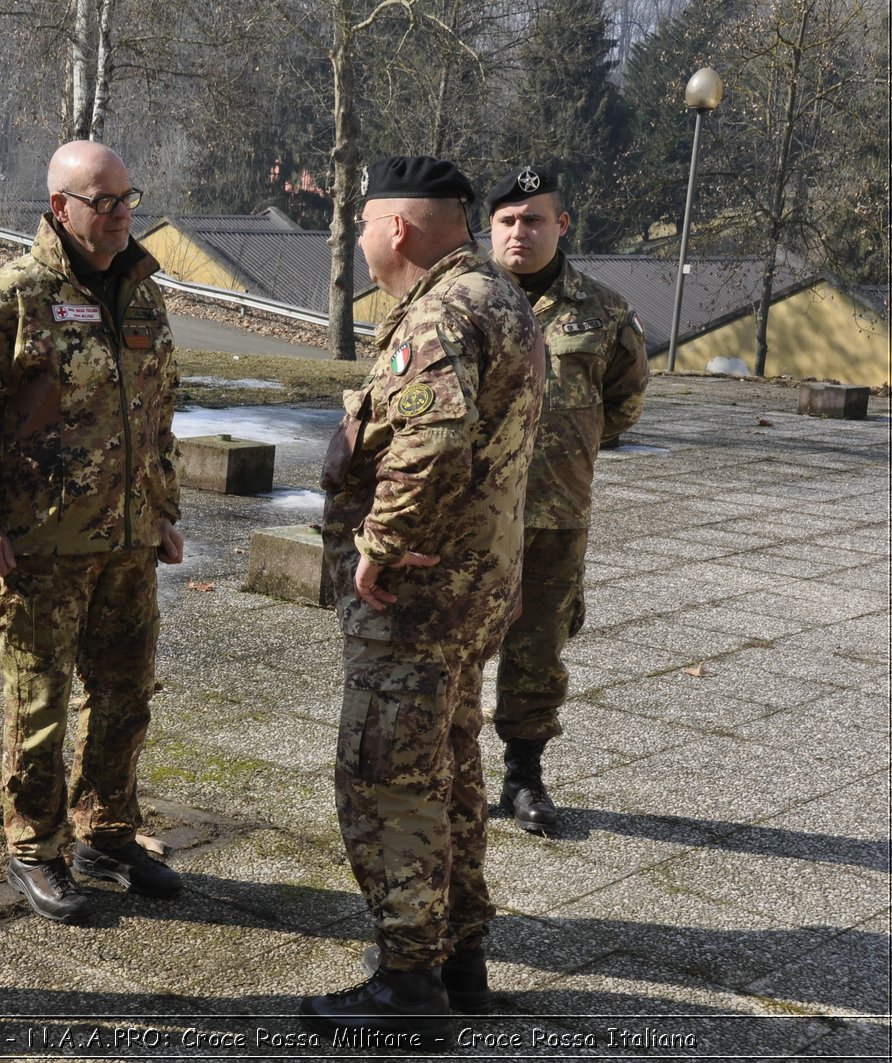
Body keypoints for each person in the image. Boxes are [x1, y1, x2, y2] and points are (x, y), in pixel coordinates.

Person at [304, 156, 544, 1043]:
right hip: (475, 586)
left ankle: (408, 983)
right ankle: (458, 958)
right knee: (450, 764)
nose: (359, 240)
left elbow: (434, 442)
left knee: (386, 776)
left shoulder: (440, 314)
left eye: (362, 223)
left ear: (396, 228)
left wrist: (380, 545)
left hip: (419, 595)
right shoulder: (495, 299)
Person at [0, 140, 183, 926]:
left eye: (128, 197)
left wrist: (164, 510)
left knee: (126, 695)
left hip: (129, 542)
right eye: (102, 202)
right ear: (60, 207)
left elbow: (157, 412)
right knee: (41, 702)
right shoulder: (14, 296)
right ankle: (34, 846)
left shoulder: (142, 293)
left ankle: (108, 833)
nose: (121, 213)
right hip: (41, 548)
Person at [487, 167, 649, 832]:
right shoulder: (459, 300)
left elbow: (623, 405)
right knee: (446, 648)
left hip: (554, 516)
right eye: (506, 221)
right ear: (489, 227)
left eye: (533, 219)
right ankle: (439, 770)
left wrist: (560, 452)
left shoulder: (604, 313)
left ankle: (523, 779)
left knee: (538, 648)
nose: (519, 232)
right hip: (466, 516)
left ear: (562, 225)